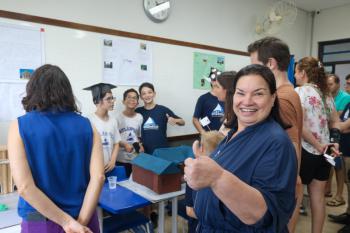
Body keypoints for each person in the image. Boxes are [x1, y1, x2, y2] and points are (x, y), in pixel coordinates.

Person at [184, 64, 297, 233]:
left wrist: (217, 177)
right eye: (241, 93)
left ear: (273, 98)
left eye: (258, 93)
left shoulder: (275, 143)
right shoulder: (234, 133)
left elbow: (264, 215)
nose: (247, 101)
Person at [7, 64, 105, 233]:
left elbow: (24, 187)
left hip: (39, 218)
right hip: (83, 217)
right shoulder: (88, 126)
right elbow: (99, 177)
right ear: (67, 91)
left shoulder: (19, 126)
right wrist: (78, 222)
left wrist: (66, 223)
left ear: (32, 90)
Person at [248, 36, 303, 233]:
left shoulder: (281, 98)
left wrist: (291, 186)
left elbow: (293, 142)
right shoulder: (290, 91)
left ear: (270, 64)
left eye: (254, 66)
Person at [294, 57, 340, 233]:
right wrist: (333, 143)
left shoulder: (300, 92)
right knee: (318, 198)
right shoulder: (326, 95)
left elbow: (300, 124)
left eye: (297, 72)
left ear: (303, 73)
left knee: (296, 198)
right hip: (326, 153)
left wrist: (317, 144)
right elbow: (335, 122)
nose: (295, 76)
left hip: (307, 151)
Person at [136, 82, 185, 154]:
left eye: (150, 92)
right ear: (140, 97)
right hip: (145, 151)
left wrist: (175, 120)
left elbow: (183, 122)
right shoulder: (138, 112)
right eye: (144, 93)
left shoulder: (163, 110)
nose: (147, 95)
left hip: (163, 150)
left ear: (154, 94)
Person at [84, 83, 121, 173]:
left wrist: (112, 161)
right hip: (93, 169)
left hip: (109, 167)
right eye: (108, 99)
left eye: (112, 98)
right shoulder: (88, 120)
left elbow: (116, 143)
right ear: (97, 101)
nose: (112, 101)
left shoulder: (113, 121)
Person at [325, 74, 350, 207]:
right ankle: (328, 190)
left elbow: (339, 122)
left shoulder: (345, 98)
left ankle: (339, 196)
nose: (328, 87)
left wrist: (331, 122)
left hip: (343, 141)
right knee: (333, 165)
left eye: (331, 84)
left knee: (341, 170)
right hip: (336, 139)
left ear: (337, 84)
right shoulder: (328, 97)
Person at [116, 88, 144, 177]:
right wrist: (125, 144)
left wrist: (140, 145)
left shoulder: (139, 117)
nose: (132, 100)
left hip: (135, 159)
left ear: (137, 102)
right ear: (123, 101)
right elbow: (114, 139)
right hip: (120, 159)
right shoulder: (116, 118)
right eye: (129, 97)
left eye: (135, 98)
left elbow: (139, 136)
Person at [193, 68, 225, 134]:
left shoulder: (225, 97)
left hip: (224, 136)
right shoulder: (203, 98)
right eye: (216, 79)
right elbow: (195, 119)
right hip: (209, 137)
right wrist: (203, 133)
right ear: (212, 82)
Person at [212, 71, 237, 136]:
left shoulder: (238, 114)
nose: (214, 90)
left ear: (227, 89)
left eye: (217, 86)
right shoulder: (230, 110)